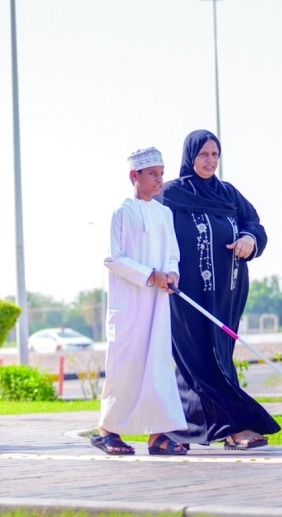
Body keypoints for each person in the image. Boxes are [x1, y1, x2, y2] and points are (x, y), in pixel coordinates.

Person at [159, 130, 278, 450]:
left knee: (218, 358)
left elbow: (254, 223)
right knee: (199, 359)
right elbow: (148, 229)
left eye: (215, 155)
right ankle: (236, 428)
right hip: (186, 296)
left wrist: (249, 240)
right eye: (203, 155)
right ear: (190, 157)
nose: (210, 161)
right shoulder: (170, 195)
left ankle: (178, 428)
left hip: (227, 293)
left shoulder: (228, 194)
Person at [92, 148, 188, 456]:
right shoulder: (121, 211)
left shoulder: (164, 213)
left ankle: (158, 435)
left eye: (162, 173)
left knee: (157, 365)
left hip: (158, 304)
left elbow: (173, 252)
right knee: (125, 366)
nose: (160, 179)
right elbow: (112, 257)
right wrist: (150, 275)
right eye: (153, 174)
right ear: (135, 176)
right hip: (129, 304)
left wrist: (171, 273)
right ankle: (108, 431)